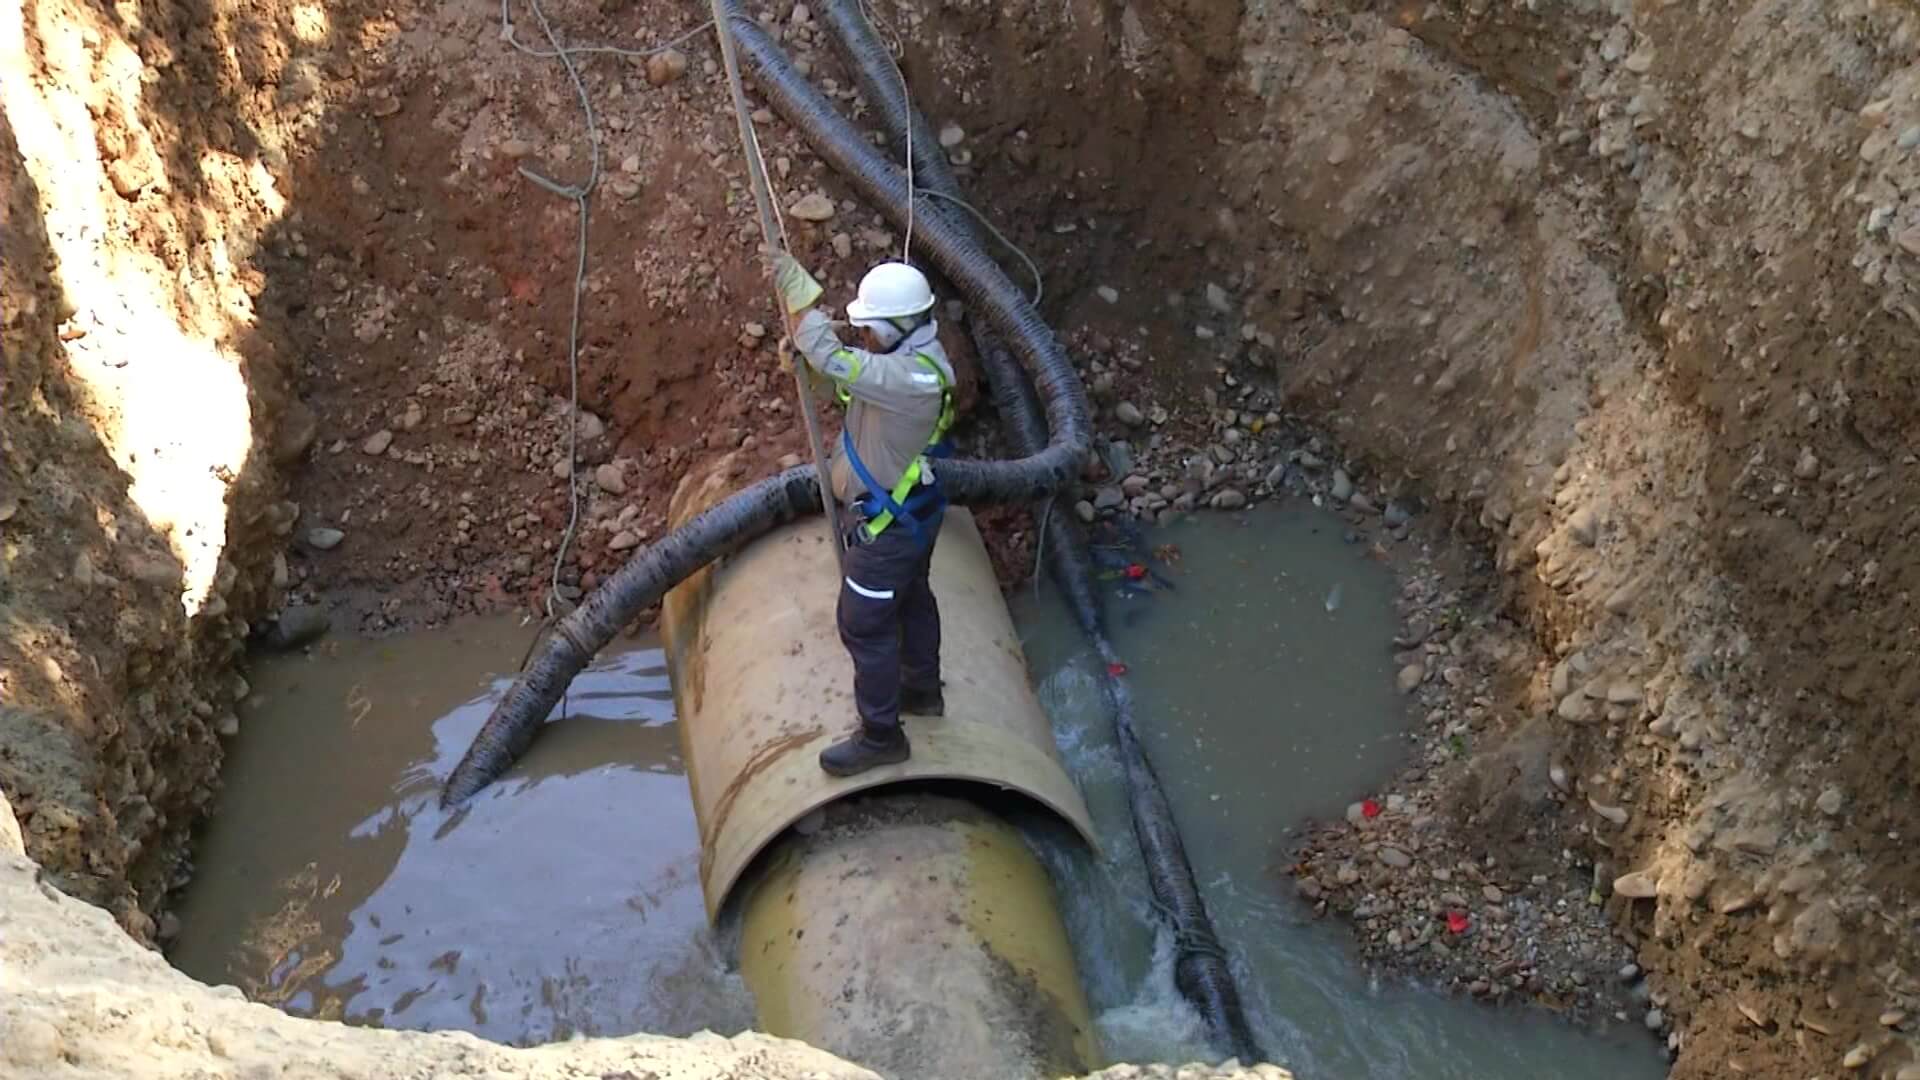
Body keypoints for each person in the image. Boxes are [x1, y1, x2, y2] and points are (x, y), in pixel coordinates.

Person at [780, 257, 956, 777]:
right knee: (913, 598)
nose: (862, 332)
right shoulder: (905, 367)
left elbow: (840, 362)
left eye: (869, 325)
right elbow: (847, 389)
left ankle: (882, 737)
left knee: (864, 623)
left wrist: (802, 304)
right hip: (909, 523)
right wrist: (810, 373)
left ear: (898, 325)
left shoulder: (913, 376)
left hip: (888, 532)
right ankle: (921, 690)